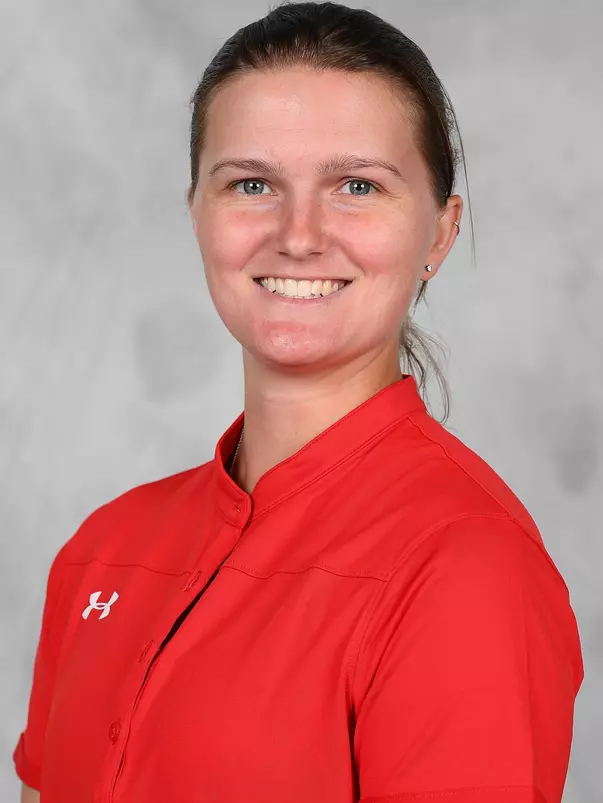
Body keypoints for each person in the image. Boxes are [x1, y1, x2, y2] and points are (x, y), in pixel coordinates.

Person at [15, 2, 584, 802]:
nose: (299, 234)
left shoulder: (461, 567)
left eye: (357, 185)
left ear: (439, 234)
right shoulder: (104, 548)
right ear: (197, 214)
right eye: (251, 183)